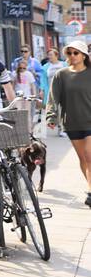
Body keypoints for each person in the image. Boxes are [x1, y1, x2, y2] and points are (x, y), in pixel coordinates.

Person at [49, 40, 91, 208]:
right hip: (72, 122)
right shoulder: (61, 75)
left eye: (76, 53)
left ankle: (90, 190)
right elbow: (53, 98)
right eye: (69, 53)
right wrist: (51, 117)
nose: (72, 56)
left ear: (83, 55)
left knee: (89, 155)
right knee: (83, 159)